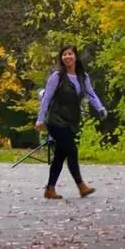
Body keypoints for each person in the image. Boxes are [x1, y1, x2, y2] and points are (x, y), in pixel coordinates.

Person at [35, 45, 106, 199]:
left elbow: (91, 94)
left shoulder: (82, 76)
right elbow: (46, 98)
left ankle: (50, 189)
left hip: (71, 120)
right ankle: (81, 186)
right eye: (64, 54)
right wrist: (40, 119)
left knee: (60, 155)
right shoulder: (57, 76)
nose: (67, 57)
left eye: (70, 54)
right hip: (55, 119)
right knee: (71, 150)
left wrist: (100, 108)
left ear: (75, 57)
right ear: (61, 58)